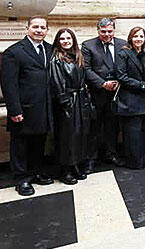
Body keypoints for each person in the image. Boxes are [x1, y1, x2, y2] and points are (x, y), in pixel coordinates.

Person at [0, 16, 54, 196]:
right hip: (23, 108)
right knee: (20, 144)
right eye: (35, 27)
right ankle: (21, 178)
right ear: (27, 28)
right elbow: (9, 84)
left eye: (42, 27)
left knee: (39, 142)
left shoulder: (50, 49)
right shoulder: (14, 52)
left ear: (47, 30)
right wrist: (14, 109)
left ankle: (36, 172)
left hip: (44, 107)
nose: (39, 30)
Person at [81, 17, 127, 173]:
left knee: (113, 126)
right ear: (98, 31)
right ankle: (91, 159)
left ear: (114, 30)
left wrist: (121, 81)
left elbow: (126, 65)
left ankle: (111, 154)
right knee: (94, 127)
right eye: (103, 31)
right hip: (97, 93)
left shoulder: (122, 44)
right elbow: (86, 69)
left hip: (117, 93)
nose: (107, 34)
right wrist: (102, 83)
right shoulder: (88, 46)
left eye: (110, 31)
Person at [49, 28, 93, 185]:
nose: (66, 41)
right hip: (68, 103)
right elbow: (57, 82)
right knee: (66, 138)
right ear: (58, 41)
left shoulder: (77, 56)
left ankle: (75, 165)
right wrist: (65, 104)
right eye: (62, 39)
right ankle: (65, 170)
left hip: (80, 101)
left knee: (79, 136)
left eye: (69, 38)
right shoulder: (56, 59)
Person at [116, 27, 145, 169]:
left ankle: (143, 160)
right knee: (132, 134)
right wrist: (141, 85)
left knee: (144, 132)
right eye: (136, 36)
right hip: (130, 100)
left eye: (141, 36)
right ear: (130, 38)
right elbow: (122, 76)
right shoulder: (123, 54)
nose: (139, 39)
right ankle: (134, 162)